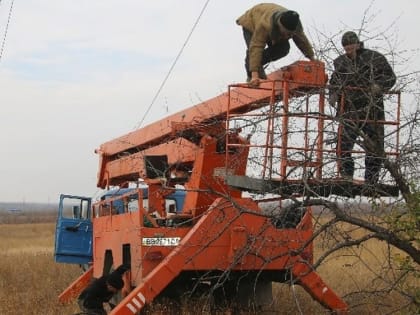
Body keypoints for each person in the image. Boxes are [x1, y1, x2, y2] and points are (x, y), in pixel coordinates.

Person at [329, 31, 396, 184]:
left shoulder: (374, 58)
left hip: (372, 111)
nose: (349, 51)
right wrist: (332, 94)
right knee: (343, 146)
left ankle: (371, 181)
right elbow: (334, 82)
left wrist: (379, 86)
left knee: (374, 147)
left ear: (358, 44)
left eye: (351, 47)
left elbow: (390, 77)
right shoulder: (340, 63)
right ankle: (346, 177)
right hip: (349, 111)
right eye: (346, 48)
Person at [236, 3, 315, 87]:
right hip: (251, 22)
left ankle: (254, 66)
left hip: (272, 29)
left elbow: (302, 41)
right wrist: (255, 75)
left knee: (284, 48)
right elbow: (256, 47)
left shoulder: (296, 26)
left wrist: (312, 59)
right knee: (253, 53)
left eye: (290, 35)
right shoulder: (265, 24)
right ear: (279, 25)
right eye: (285, 33)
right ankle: (253, 75)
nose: (287, 36)